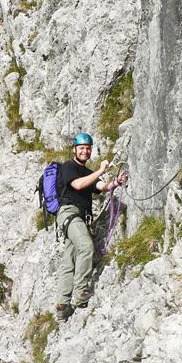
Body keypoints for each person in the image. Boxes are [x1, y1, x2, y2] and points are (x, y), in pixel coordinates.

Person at [55, 132, 127, 321]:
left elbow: (101, 187)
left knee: (69, 260)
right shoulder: (68, 167)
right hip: (69, 214)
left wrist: (116, 183)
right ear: (75, 150)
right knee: (86, 246)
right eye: (82, 148)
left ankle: (62, 305)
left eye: (88, 148)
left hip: (78, 218)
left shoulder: (88, 173)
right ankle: (80, 294)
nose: (85, 151)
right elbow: (78, 185)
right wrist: (101, 171)